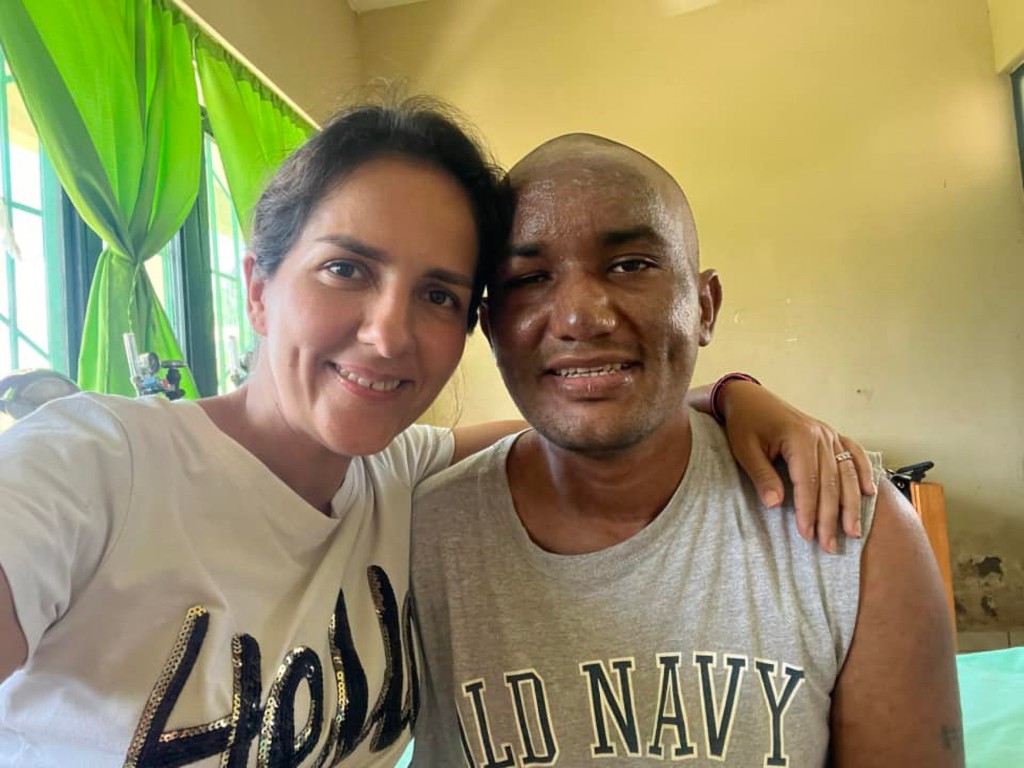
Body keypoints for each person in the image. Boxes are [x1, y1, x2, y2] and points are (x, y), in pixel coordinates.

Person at [0, 101, 872, 767]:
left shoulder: (395, 476)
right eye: (346, 268)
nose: (388, 332)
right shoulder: (88, 466)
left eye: (439, 294)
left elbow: (579, 414)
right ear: (259, 286)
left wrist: (733, 396)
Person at [410, 134, 962, 766]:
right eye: (529, 278)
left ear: (704, 306)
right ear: (489, 325)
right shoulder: (416, 535)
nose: (582, 317)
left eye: (630, 265)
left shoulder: (855, 531)